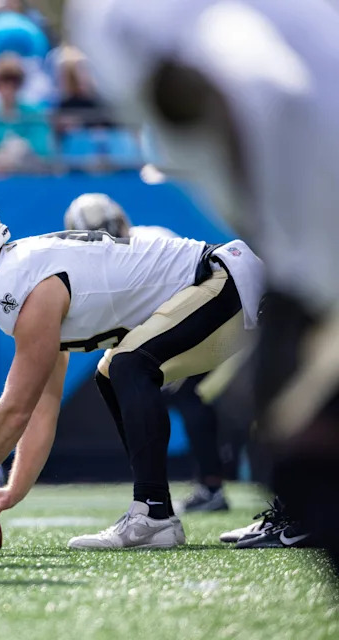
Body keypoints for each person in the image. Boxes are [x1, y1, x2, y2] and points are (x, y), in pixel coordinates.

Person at [68, 0, 339, 560]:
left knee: (288, 423)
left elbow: (249, 76)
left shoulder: (123, 21)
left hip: (285, 251)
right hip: (283, 254)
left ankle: (182, 505)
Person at [0, 196, 263, 550]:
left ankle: (153, 514)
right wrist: (15, 488)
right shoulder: (22, 271)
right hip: (224, 281)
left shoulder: (17, 280)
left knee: (127, 365)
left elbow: (16, 407)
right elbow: (41, 404)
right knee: (116, 371)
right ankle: (161, 513)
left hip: (222, 279)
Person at [63, 193, 230, 513]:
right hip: (189, 329)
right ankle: (182, 490)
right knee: (168, 396)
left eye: (108, 230)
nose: (106, 241)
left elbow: (192, 292)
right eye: (96, 235)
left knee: (190, 396)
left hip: (212, 319)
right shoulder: (109, 266)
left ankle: (199, 489)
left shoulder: (151, 242)